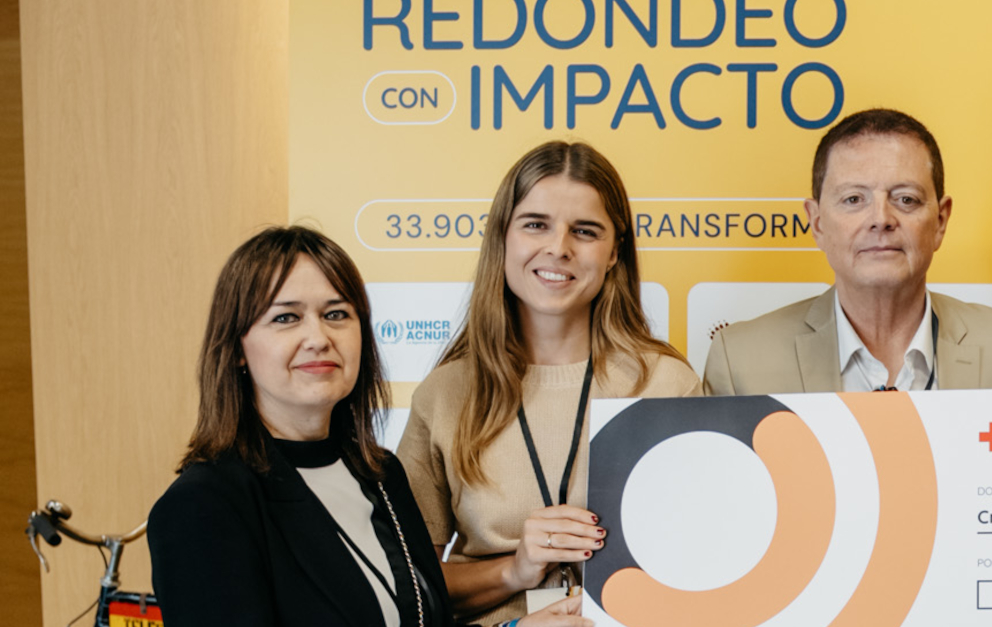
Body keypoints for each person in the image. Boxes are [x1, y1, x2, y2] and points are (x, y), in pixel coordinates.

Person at [398, 141, 696, 625]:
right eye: (536, 224)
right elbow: (408, 589)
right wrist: (515, 571)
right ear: (503, 237)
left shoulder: (668, 385)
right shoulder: (445, 394)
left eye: (585, 230)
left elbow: (708, 560)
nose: (559, 247)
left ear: (615, 252)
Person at [151, 227, 489, 625]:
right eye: (286, 317)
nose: (318, 337)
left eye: (336, 314)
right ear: (237, 348)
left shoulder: (383, 476)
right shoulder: (202, 505)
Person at [703, 108, 992, 394]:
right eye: (853, 199)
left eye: (905, 199)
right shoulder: (741, 364)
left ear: (940, 221)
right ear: (817, 223)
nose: (881, 219)